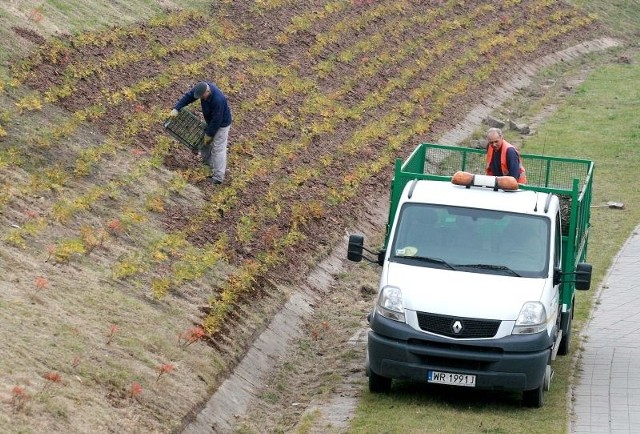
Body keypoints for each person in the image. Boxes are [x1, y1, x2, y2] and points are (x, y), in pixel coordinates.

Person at [169, 81, 232, 185]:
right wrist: (177, 108)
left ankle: (218, 177)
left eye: (202, 96)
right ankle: (208, 165)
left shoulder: (218, 100)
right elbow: (189, 96)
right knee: (204, 143)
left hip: (222, 124)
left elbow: (217, 120)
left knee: (218, 148)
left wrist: (210, 134)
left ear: (207, 91)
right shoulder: (200, 88)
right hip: (211, 121)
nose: (201, 98)